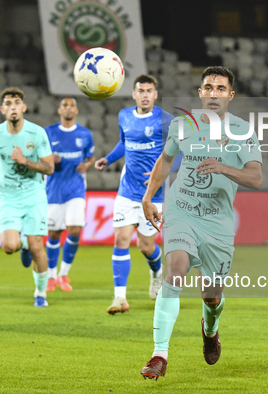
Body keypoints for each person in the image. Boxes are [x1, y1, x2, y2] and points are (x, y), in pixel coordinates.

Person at [140, 66, 263, 379]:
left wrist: (224, 168)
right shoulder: (183, 125)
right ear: (200, 92)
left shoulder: (242, 131)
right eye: (208, 87)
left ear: (230, 96)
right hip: (182, 211)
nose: (213, 93)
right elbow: (167, 160)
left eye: (220, 88)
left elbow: (256, 176)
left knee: (211, 295)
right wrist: (149, 197)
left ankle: (210, 330)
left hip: (218, 223)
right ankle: (159, 354)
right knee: (175, 271)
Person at [94, 74, 174, 314]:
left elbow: (177, 152)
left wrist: (163, 171)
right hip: (127, 191)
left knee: (145, 245)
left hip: (155, 194)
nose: (145, 95)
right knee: (121, 239)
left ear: (155, 94)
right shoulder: (124, 116)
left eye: (149, 90)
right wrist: (108, 158)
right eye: (141, 90)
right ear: (134, 94)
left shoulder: (166, 120)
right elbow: (124, 143)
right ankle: (120, 298)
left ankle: (157, 272)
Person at [0, 87, 54, 307]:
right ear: (2, 109)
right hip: (9, 197)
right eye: (8, 103)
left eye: (16, 103)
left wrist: (25, 161)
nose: (12, 107)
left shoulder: (37, 133)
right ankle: (21, 243)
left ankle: (40, 294)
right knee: (8, 247)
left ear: (23, 107)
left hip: (33, 195)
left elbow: (49, 168)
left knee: (37, 247)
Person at [44, 97, 95, 292]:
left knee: (74, 230)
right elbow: (39, 157)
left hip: (76, 188)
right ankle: (50, 276)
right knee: (54, 233)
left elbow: (90, 157)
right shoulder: (49, 132)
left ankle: (63, 274)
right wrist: (50, 159)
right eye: (65, 105)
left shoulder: (85, 134)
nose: (68, 108)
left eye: (72, 105)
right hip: (54, 190)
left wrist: (87, 165)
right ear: (59, 110)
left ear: (76, 110)